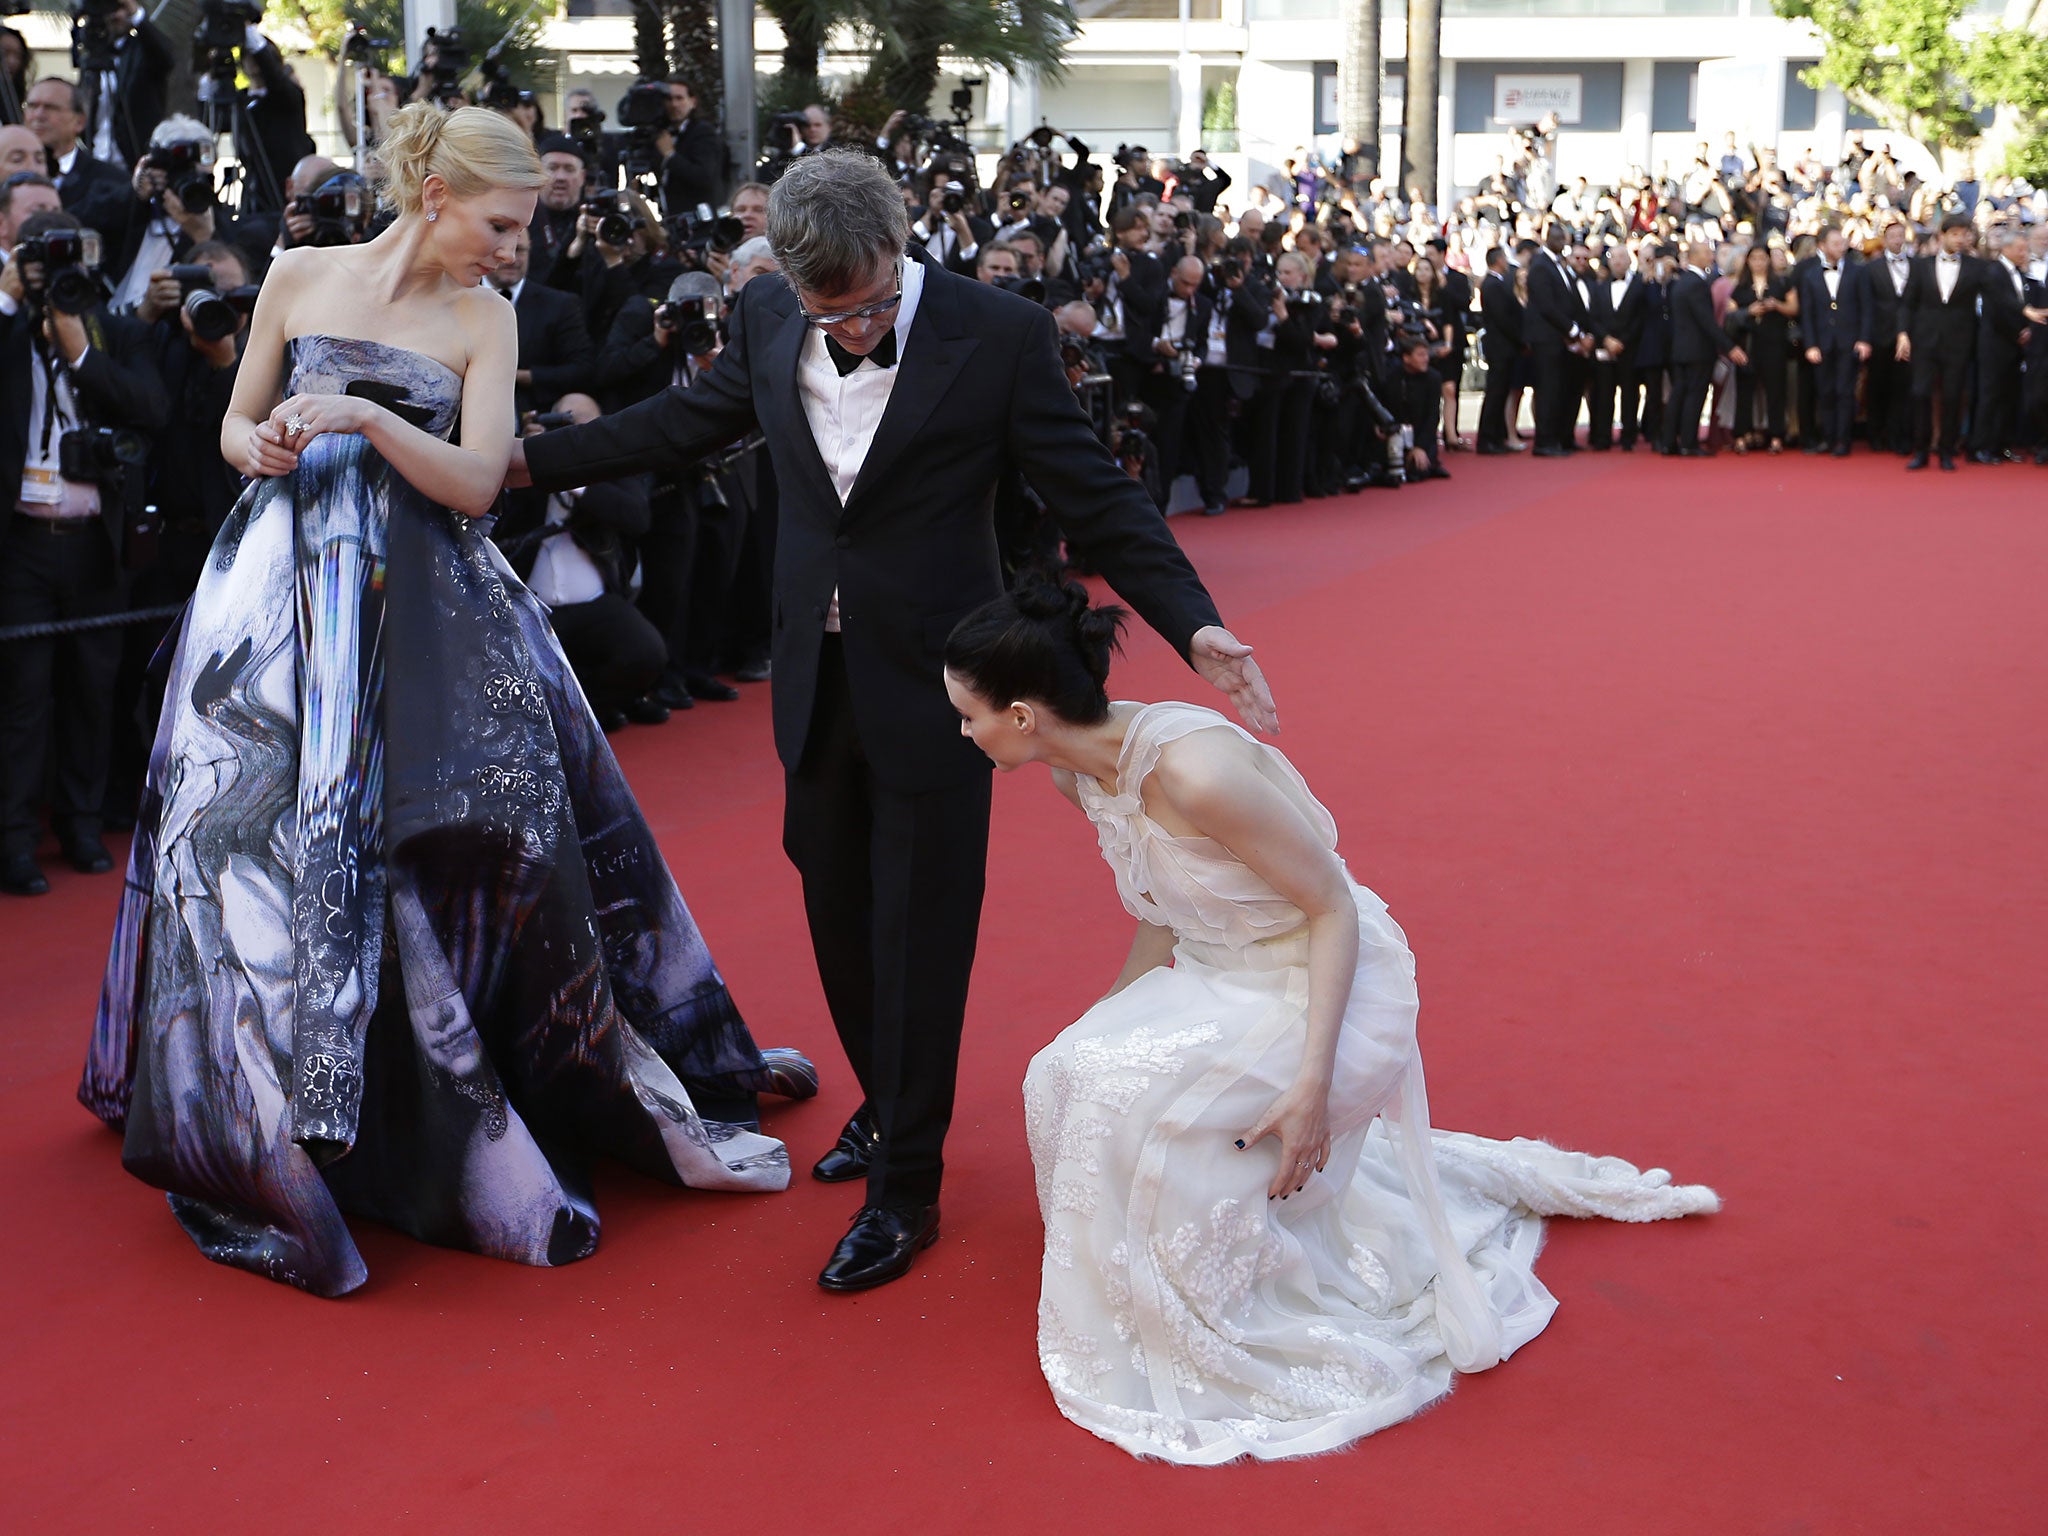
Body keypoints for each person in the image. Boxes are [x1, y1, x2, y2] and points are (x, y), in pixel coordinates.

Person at [78, 104, 814, 1297]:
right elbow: (227, 420)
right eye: (503, 222)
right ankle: (257, 1095)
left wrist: (365, 417)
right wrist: (254, 441)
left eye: (525, 227)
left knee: (467, 827)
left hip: (427, 599)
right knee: (246, 838)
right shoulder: (301, 273)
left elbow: (476, 485)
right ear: (434, 193)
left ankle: (439, 1093)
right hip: (276, 589)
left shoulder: (485, 318)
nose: (515, 245)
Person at [510, 147, 1273, 1294]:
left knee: (921, 932)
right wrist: (514, 463)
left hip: (941, 688)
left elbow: (1094, 495)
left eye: (869, 305)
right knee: (836, 906)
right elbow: (680, 424)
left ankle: (904, 1187)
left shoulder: (997, 333)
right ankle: (886, 1101)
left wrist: (1193, 622)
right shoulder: (770, 312)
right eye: (832, 314)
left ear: (901, 243)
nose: (853, 330)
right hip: (813, 680)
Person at [941, 580, 1718, 1464]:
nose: (964, 734)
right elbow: (1160, 898)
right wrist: (1114, 1009)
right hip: (1217, 969)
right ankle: (1136, 1276)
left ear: (1022, 715)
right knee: (1062, 1067)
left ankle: (1221, 1298)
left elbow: (1330, 910)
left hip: (1322, 982)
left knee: (1138, 1099)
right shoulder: (1079, 778)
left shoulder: (1193, 771)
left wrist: (1312, 1087)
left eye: (969, 716)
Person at [0, 207, 169, 897]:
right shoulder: (8, 331)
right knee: (22, 698)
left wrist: (78, 350)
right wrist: (11, 296)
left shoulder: (114, 329)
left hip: (97, 542)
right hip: (22, 544)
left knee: (92, 693)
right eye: (46, 258)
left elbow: (150, 407)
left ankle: (80, 825)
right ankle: (14, 841)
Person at [1898, 213, 1987, 471]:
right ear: (1942, 236)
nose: (1961, 239)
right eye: (1955, 234)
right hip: (1924, 340)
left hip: (1959, 342)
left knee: (1952, 397)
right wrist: (1903, 334)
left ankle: (1947, 451)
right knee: (1920, 394)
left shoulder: (1976, 267)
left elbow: (1996, 294)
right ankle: (1921, 450)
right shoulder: (1920, 265)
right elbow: (1907, 303)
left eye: (1964, 234)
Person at [1663, 241, 1746, 455]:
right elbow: (1707, 322)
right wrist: (1730, 347)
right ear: (1694, 256)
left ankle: (1669, 441)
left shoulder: (1682, 282)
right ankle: (1689, 443)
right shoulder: (1697, 284)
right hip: (1697, 350)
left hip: (1680, 348)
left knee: (1679, 394)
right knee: (1694, 395)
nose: (1711, 255)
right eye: (1707, 252)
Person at [1798, 225, 1867, 457]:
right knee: (1825, 391)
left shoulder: (1858, 272)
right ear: (1822, 246)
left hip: (1850, 342)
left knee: (1845, 391)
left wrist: (1864, 339)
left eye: (1843, 242)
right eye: (1835, 243)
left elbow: (1867, 309)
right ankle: (1828, 437)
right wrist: (1810, 345)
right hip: (1822, 343)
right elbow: (1806, 314)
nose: (1841, 247)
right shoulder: (1810, 276)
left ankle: (1843, 439)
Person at [1727, 243, 1796, 454]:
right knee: (1744, 390)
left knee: (1776, 390)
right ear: (1748, 261)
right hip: (1748, 344)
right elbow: (1731, 315)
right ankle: (1742, 434)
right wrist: (1749, 311)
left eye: (1762, 258)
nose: (1758, 262)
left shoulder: (1781, 284)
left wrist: (1777, 306)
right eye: (1754, 258)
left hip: (1774, 343)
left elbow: (1794, 308)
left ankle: (1776, 434)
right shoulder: (1740, 286)